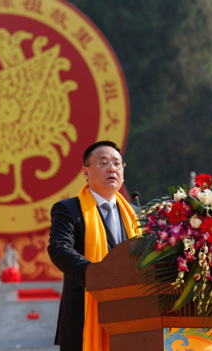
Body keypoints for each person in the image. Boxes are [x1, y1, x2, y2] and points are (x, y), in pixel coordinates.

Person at [47, 140, 141, 351]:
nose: (112, 168)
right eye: (103, 162)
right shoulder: (69, 209)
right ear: (85, 172)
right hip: (82, 319)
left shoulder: (136, 214)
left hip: (132, 318)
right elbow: (59, 248)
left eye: (117, 163)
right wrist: (94, 274)